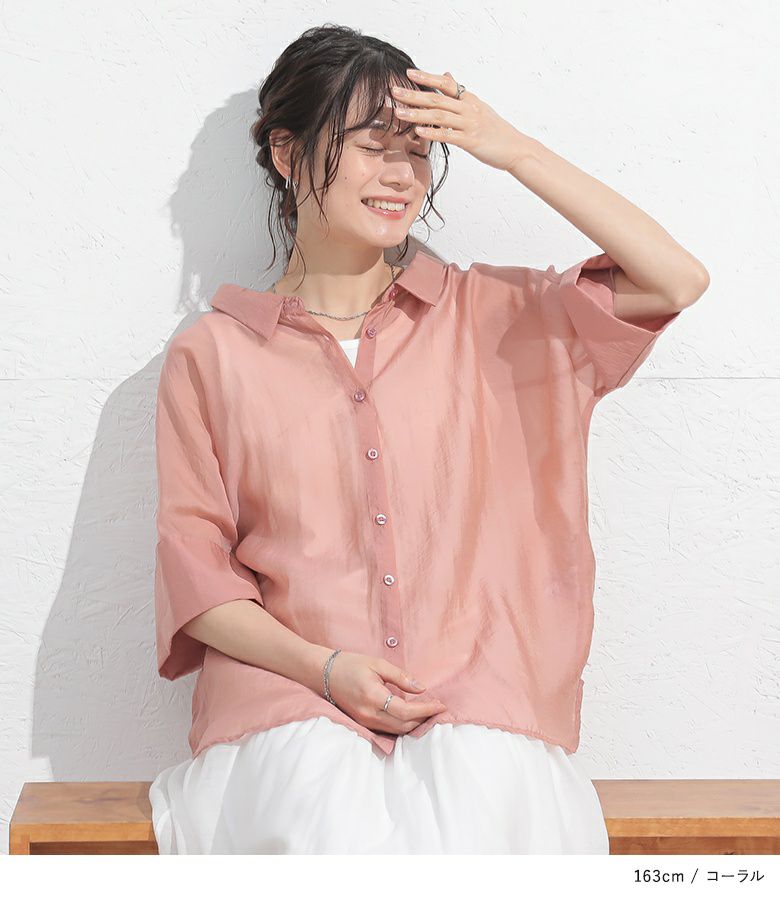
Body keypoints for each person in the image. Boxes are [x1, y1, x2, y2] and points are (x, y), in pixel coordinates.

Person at [148, 24, 709, 854]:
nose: (401, 175)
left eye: (419, 151)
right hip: (291, 716)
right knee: (319, 816)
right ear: (288, 154)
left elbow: (675, 279)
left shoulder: (503, 317)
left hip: (478, 712)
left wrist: (508, 148)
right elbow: (201, 581)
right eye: (373, 146)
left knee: (477, 803)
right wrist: (326, 671)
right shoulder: (214, 355)